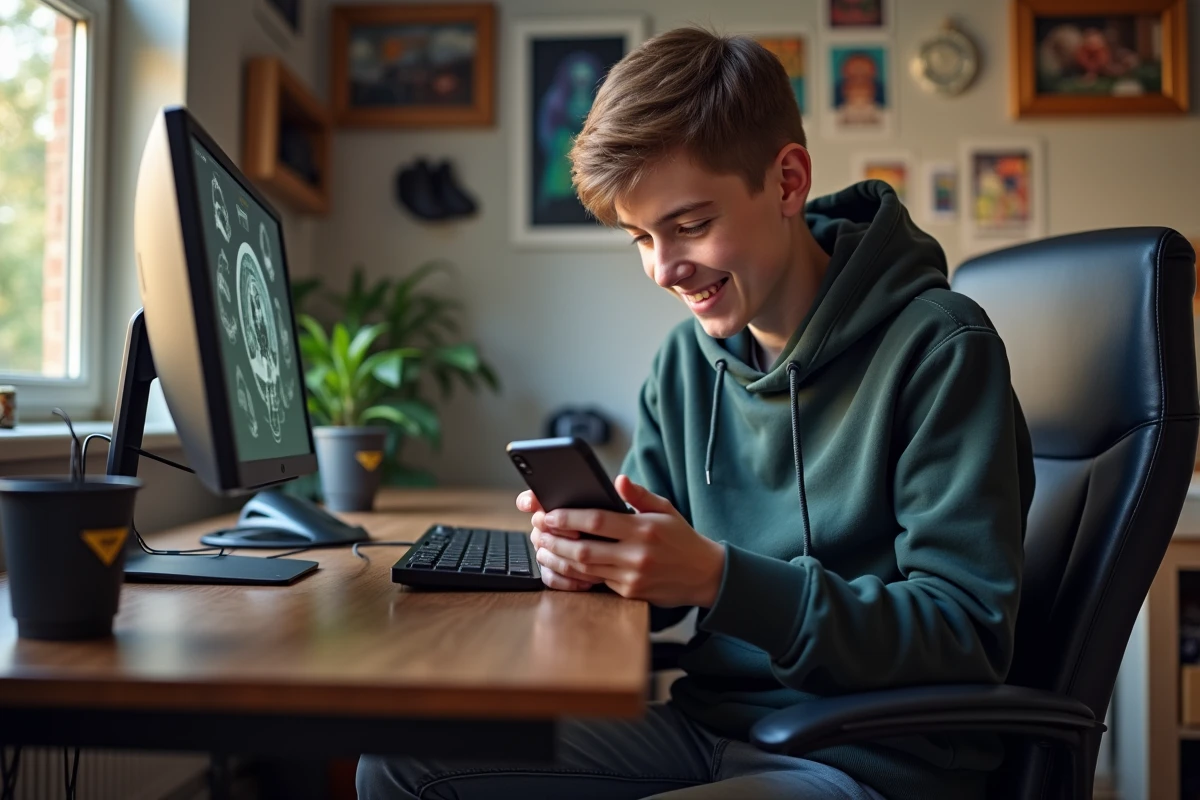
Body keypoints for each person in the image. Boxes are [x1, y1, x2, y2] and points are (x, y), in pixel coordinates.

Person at [358, 26, 1033, 800]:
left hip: (872, 759)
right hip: (709, 727)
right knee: (401, 766)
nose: (664, 269)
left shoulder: (942, 349)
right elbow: (652, 590)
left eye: (689, 225)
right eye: (640, 236)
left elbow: (964, 636)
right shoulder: (685, 364)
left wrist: (718, 579)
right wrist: (594, 561)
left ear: (786, 182)